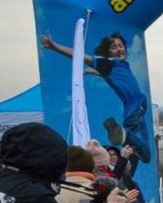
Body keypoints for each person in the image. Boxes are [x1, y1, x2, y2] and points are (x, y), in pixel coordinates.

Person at [39, 31, 153, 163]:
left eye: (121, 45)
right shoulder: (109, 64)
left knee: (144, 155)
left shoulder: (119, 66)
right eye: (114, 47)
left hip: (133, 115)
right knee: (145, 153)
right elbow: (80, 56)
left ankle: (122, 136)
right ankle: (123, 135)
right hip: (135, 113)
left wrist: (96, 72)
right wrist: (54, 46)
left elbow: (114, 77)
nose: (119, 49)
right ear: (108, 53)